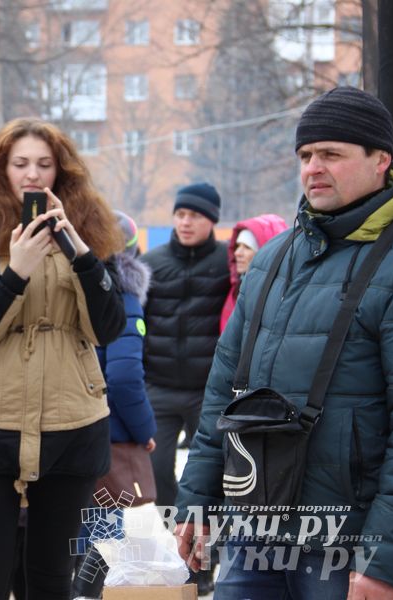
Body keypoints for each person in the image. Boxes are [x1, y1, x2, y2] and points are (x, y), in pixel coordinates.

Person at [175, 86, 393, 599]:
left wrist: (387, 559)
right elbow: (222, 397)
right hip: (253, 529)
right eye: (305, 155)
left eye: (332, 154)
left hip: (347, 544)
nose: (313, 168)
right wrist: (196, 502)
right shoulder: (273, 260)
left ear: (381, 160)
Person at [0, 117, 125, 599]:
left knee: (50, 579)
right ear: (0, 169)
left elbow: (108, 328)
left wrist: (81, 252)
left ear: (61, 172)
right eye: (20, 163)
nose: (32, 175)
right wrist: (15, 273)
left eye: (44, 164)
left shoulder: (90, 227)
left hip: (71, 419)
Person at [71, 210, 157, 599]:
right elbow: (123, 378)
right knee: (103, 538)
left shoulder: (71, 290)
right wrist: (145, 430)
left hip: (62, 427)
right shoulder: (122, 299)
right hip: (105, 436)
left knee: (65, 536)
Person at [140, 182, 229, 505]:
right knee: (156, 467)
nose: (185, 222)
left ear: (212, 219)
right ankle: (178, 535)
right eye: (180, 214)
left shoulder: (227, 261)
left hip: (207, 390)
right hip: (159, 388)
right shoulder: (151, 261)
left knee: (210, 471)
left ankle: (209, 542)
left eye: (194, 215)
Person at [219, 214, 288, 332]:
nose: (237, 253)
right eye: (237, 246)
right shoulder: (235, 289)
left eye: (247, 247)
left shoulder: (280, 298)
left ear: (266, 252)